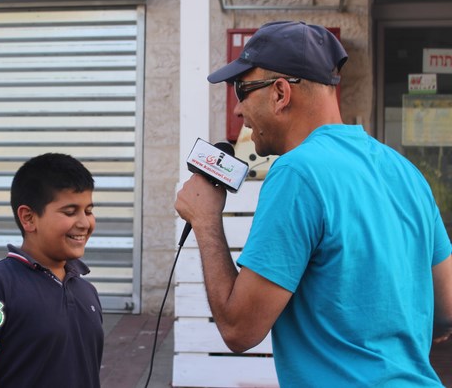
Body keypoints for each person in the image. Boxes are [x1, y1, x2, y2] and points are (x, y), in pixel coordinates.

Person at [175, 21, 452, 386]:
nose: (239, 110)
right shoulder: (404, 170)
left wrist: (206, 220)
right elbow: (445, 311)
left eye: (241, 90)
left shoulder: (297, 173)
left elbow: (239, 329)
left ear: (279, 93)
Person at [0, 153, 104, 387]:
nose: (84, 223)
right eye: (70, 212)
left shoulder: (87, 291)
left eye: (89, 210)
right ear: (29, 218)